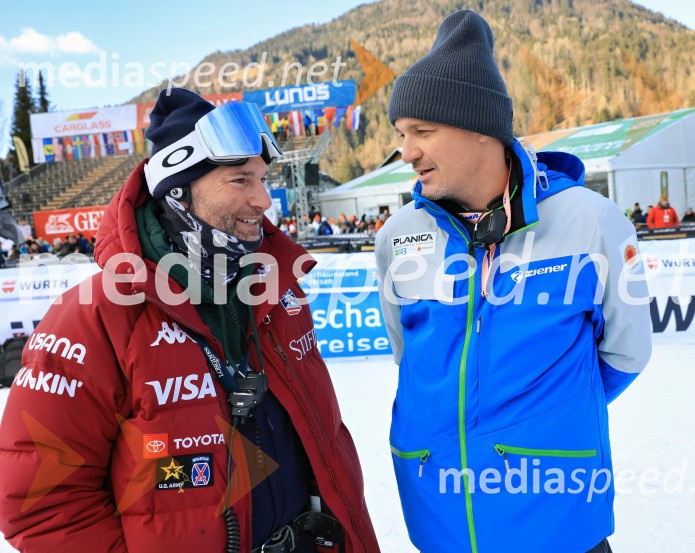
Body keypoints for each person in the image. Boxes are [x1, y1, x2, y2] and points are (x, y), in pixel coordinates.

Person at [0, 89, 379, 553]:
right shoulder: (93, 317)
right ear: (177, 191)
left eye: (263, 179)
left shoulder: (276, 292)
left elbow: (327, 447)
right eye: (241, 180)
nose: (264, 199)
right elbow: (41, 504)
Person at [375, 10, 651, 553]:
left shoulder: (589, 221)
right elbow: (409, 357)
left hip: (557, 526)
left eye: (423, 132)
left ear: (482, 128)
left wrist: (539, 428)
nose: (407, 152)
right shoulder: (399, 236)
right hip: (440, 525)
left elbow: (625, 355)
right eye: (402, 134)